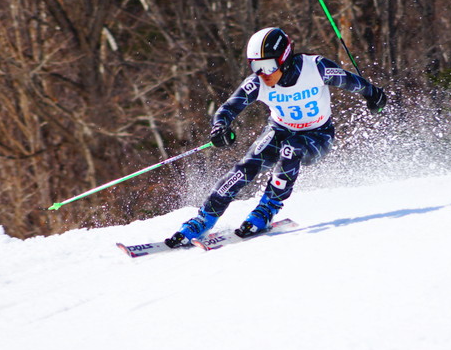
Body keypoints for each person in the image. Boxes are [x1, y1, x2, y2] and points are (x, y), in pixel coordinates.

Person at [165, 27, 387, 248]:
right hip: (279, 130)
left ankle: (266, 209)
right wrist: (219, 128)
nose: (263, 73)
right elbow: (227, 109)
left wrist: (373, 94)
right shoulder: (257, 83)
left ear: (284, 59)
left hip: (318, 136)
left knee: (291, 148)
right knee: (244, 168)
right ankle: (204, 219)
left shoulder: (315, 68)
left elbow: (351, 81)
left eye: (268, 66)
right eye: (255, 66)